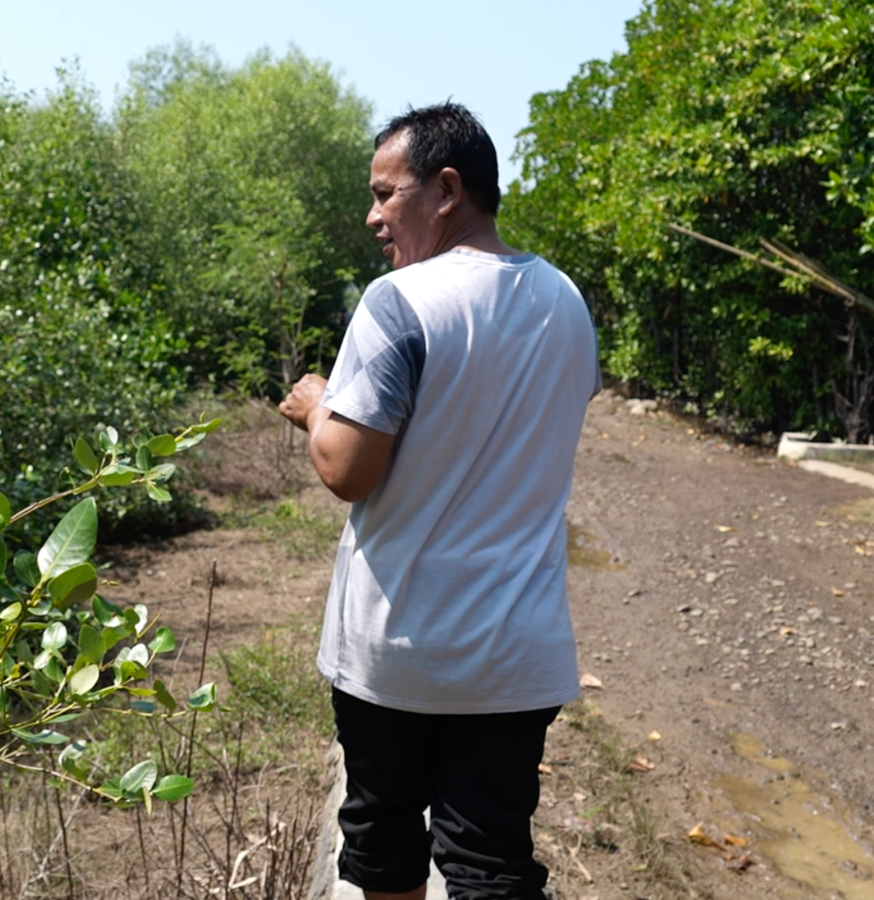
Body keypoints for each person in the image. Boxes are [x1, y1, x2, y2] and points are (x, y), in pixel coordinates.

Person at [278, 103, 599, 900]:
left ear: (446, 189)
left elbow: (348, 470)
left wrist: (317, 406)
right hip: (517, 651)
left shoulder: (399, 302)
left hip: (401, 650)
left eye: (387, 195)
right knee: (491, 860)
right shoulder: (566, 299)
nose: (373, 216)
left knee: (383, 841)